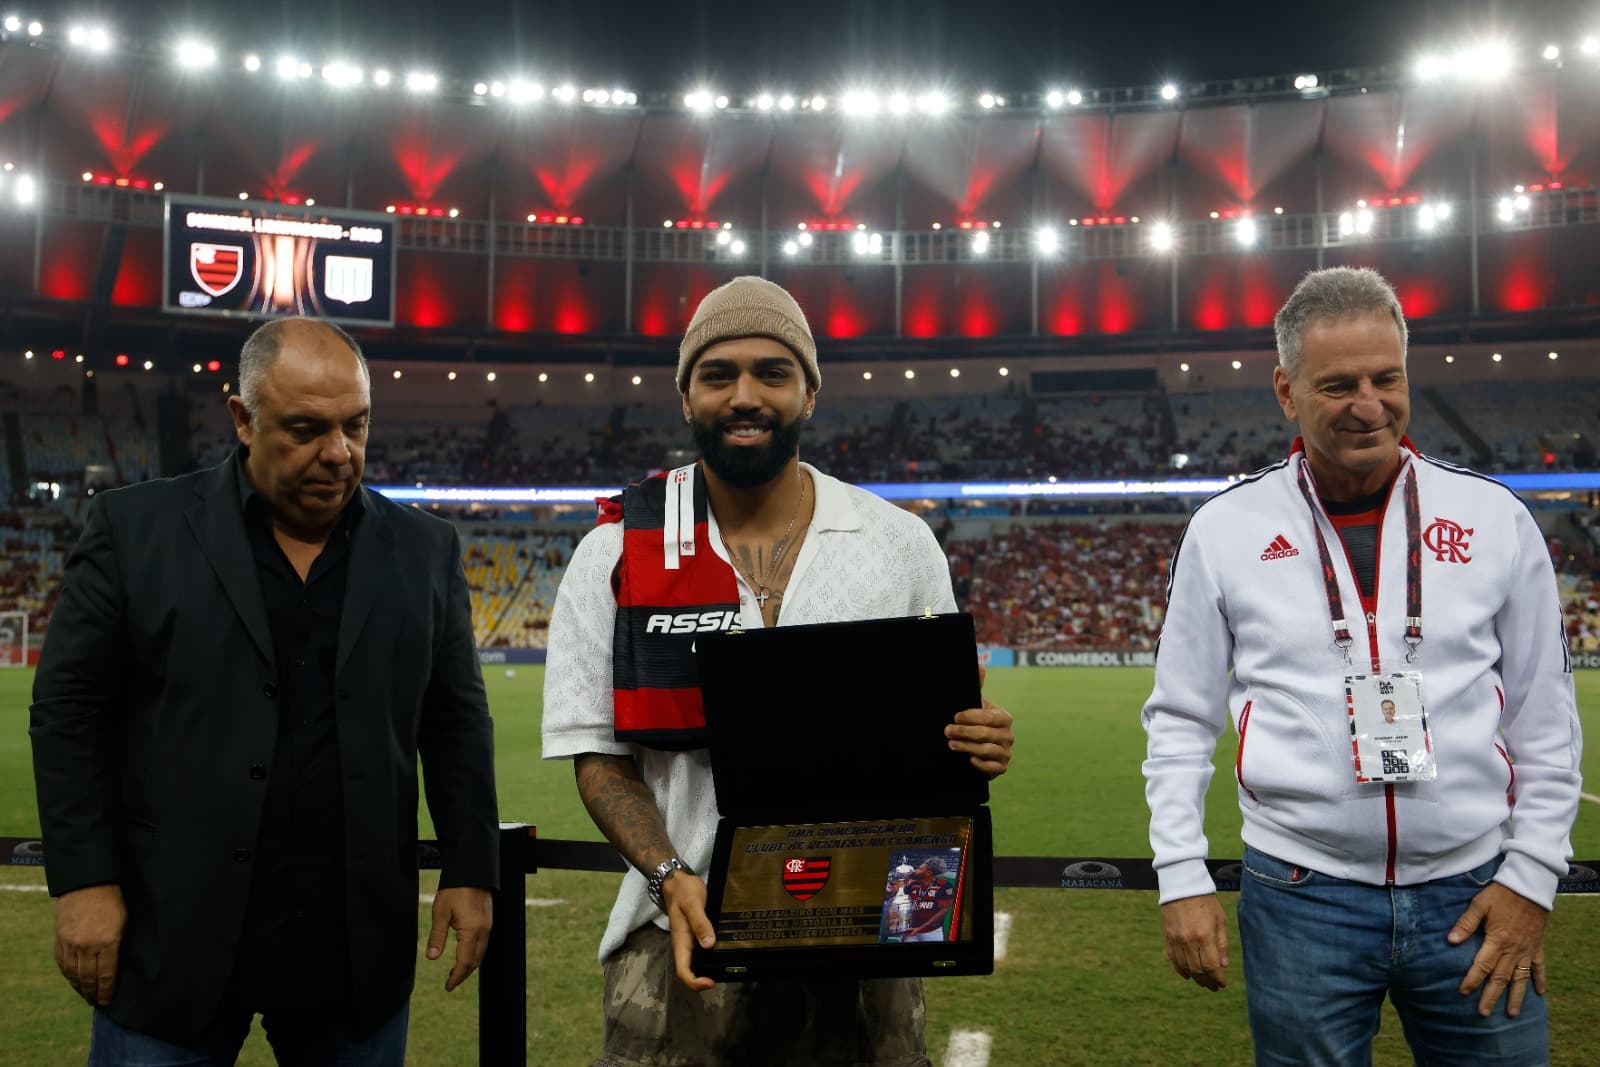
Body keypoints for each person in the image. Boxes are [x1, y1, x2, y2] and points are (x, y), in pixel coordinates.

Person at [541, 275, 1015, 1067]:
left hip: (866, 935)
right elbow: (599, 759)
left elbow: (944, 732)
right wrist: (669, 874)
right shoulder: (616, 552)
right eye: (718, 375)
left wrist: (980, 738)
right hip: (680, 929)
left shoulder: (897, 543)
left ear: (810, 392)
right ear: (686, 395)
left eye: (773, 372)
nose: (745, 396)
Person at [1142, 266, 1582, 1064]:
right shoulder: (1226, 529)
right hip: (1300, 895)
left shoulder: (1496, 520)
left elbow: (1547, 725)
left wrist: (1530, 881)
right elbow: (1179, 719)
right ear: (1286, 390)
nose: (1369, 404)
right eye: (1338, 384)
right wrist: (1181, 871)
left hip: (1475, 891)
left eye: (1387, 378)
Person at [30, 318, 499, 1065]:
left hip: (350, 953)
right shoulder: (133, 529)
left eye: (356, 425)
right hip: (170, 934)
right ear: (242, 419)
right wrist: (85, 881)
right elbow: (68, 714)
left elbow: (455, 725)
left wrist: (472, 869)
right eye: (306, 429)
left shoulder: (425, 549)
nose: (338, 453)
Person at [901, 858, 957, 943]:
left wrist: (920, 928)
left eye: (920, 869)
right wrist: (908, 878)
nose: (916, 871)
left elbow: (943, 911)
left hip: (932, 932)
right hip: (911, 931)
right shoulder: (913, 883)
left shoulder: (944, 886)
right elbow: (904, 893)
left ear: (929, 873)